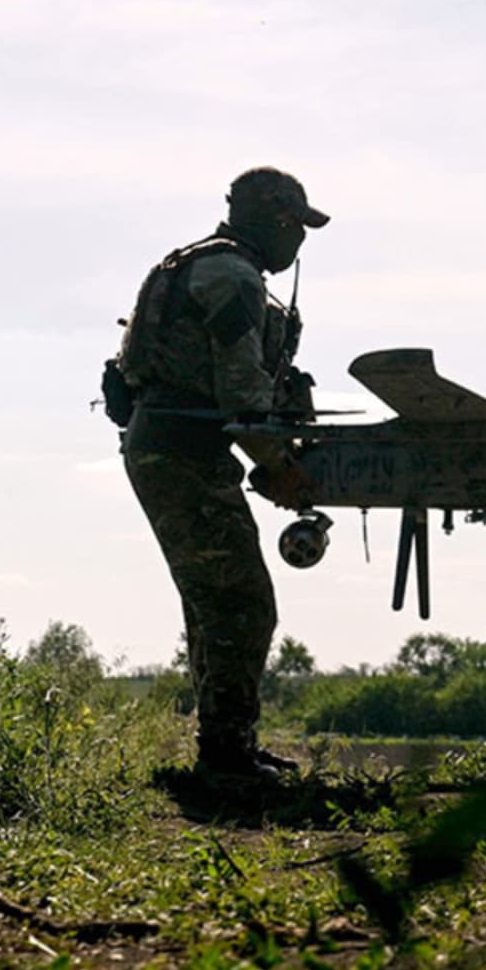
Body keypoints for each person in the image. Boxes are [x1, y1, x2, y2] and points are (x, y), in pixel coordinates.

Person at [113, 166, 328, 781]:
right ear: (274, 218)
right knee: (241, 604)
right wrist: (280, 467)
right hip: (182, 451)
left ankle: (226, 744)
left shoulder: (197, 264)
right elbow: (240, 392)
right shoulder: (232, 276)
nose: (300, 242)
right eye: (297, 225)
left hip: (171, 447)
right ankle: (226, 757)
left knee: (214, 602)